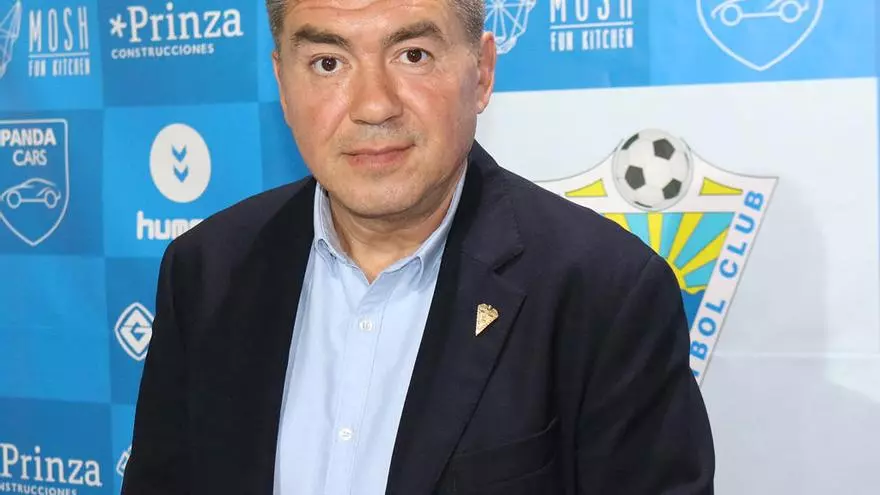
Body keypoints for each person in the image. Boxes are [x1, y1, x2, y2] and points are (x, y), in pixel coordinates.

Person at [121, 0, 715, 492]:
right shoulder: (206, 271)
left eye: (413, 55)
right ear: (282, 83)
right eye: (328, 63)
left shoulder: (604, 292)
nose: (373, 105)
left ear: (481, 73)